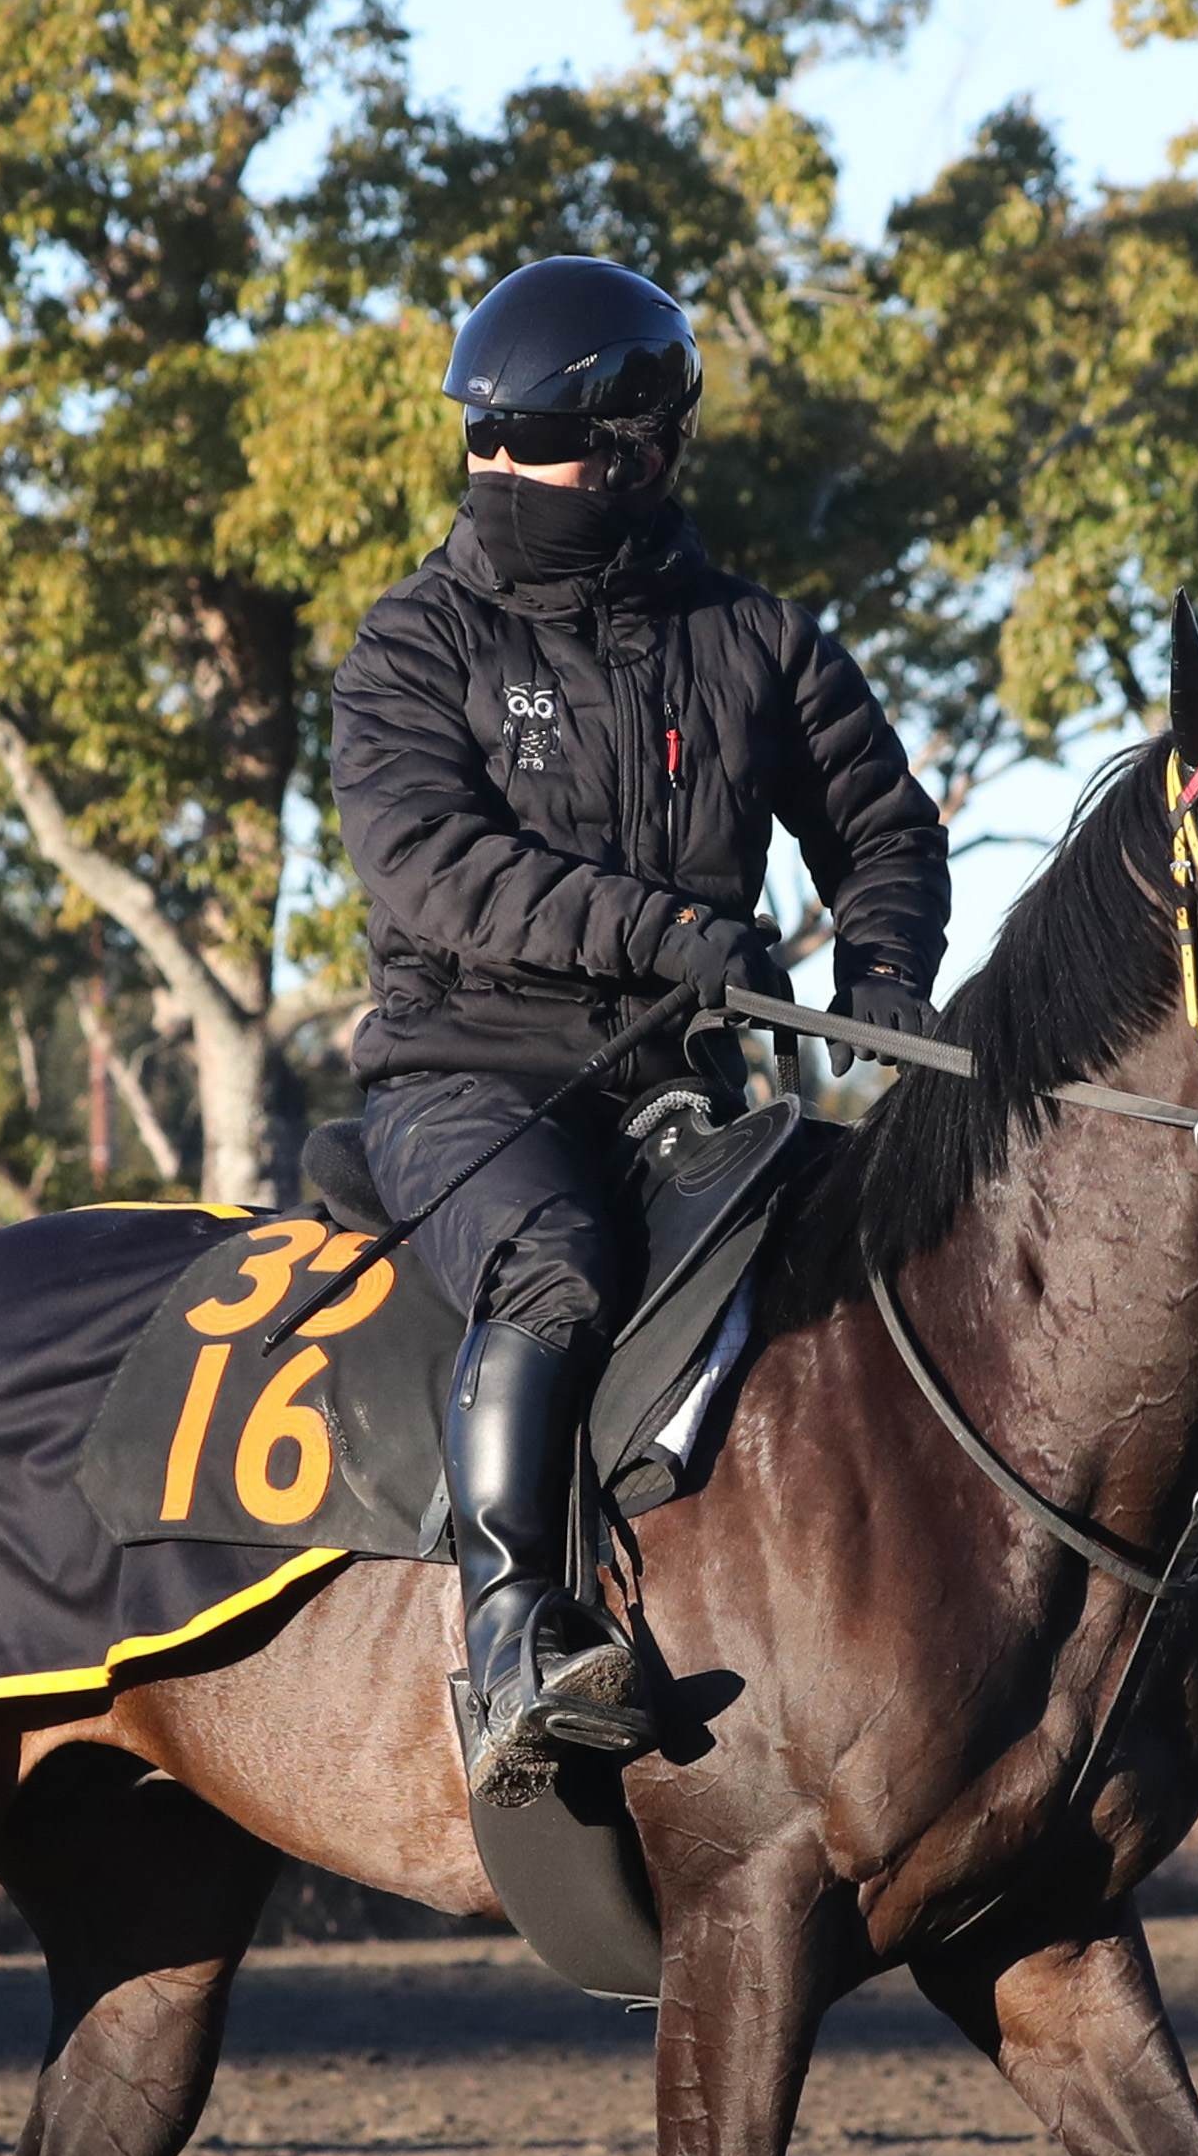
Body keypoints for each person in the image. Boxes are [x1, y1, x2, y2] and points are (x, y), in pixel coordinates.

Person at [332, 256, 950, 1809]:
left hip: (687, 1090)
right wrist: (661, 931)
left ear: (628, 453)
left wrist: (884, 964)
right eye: (489, 445)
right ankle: (510, 1641)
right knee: (556, 1268)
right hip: (470, 1078)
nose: (497, 473)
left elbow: (883, 827)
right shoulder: (413, 646)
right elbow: (432, 868)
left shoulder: (758, 640)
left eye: (523, 446)